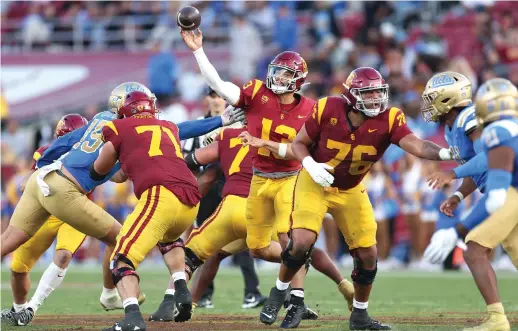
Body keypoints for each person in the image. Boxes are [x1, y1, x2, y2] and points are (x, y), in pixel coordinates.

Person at [1, 81, 244, 327]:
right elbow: (178, 130)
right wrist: (220, 121)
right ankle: (110, 294)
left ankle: (106, 295)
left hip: (44, 178)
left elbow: (66, 142)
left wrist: (39, 164)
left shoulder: (99, 119)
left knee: (8, 240)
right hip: (67, 191)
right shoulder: (127, 128)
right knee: (122, 240)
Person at [181, 28, 355, 328]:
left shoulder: (312, 110)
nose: (278, 78)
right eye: (276, 71)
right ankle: (323, 279)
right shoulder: (257, 93)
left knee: (292, 239)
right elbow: (220, 86)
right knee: (259, 247)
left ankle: (295, 299)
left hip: (290, 179)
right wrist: (198, 51)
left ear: (298, 80)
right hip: (259, 180)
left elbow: (321, 147)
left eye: (285, 74)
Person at [262, 67, 455, 330]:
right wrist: (310, 164)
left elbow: (417, 144)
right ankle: (278, 292)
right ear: (352, 96)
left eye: (379, 92)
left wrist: (445, 154)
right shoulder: (327, 108)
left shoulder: (390, 118)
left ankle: (360, 315)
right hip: (315, 182)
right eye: (369, 92)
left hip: (351, 188)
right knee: (302, 241)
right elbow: (299, 143)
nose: (376, 98)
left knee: (368, 254)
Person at [93, 90, 204, 331]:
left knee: (121, 259)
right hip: (191, 199)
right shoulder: (168, 127)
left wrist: (98, 169)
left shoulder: (118, 128)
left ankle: (132, 317)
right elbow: (131, 168)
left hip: (160, 194)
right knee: (170, 240)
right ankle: (181, 289)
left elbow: (100, 169)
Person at [424, 78, 518, 331]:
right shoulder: (451, 128)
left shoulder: (470, 119)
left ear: (447, 99)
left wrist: (452, 174)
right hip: (505, 188)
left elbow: (490, 158)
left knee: (474, 249)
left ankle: (497, 319)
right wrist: (458, 195)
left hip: (510, 189)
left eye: (432, 98)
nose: (428, 104)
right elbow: (479, 169)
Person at [0, 114, 89, 325]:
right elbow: (27, 184)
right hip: (46, 213)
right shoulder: (46, 153)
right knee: (18, 268)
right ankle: (18, 309)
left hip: (76, 213)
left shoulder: (92, 155)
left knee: (64, 255)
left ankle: (32, 307)